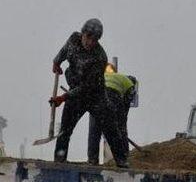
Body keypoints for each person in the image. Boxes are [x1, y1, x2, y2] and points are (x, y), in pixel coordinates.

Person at [50, 19, 128, 167]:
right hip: (75, 90)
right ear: (83, 34)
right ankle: (59, 160)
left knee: (111, 128)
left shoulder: (100, 57)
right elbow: (64, 51)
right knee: (65, 128)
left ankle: (122, 161)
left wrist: (64, 97)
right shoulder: (74, 39)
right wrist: (56, 62)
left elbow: (87, 87)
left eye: (95, 39)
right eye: (88, 37)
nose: (90, 42)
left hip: (95, 95)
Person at [87, 63, 137, 165]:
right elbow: (127, 101)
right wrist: (121, 121)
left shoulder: (99, 76)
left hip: (96, 99)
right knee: (120, 131)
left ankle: (92, 159)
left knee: (94, 130)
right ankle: (123, 158)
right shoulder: (126, 80)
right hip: (114, 98)